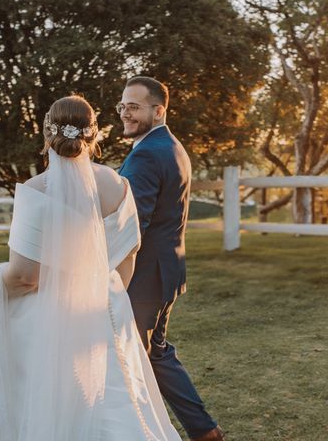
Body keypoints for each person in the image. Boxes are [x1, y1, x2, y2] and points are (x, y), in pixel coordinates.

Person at [0, 95, 182, 440]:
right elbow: (127, 258)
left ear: (47, 136)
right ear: (94, 135)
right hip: (105, 312)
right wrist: (103, 297)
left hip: (46, 317)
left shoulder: (36, 190)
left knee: (39, 400)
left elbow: (24, 277)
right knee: (116, 402)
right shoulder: (120, 186)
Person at [118, 77, 224, 441]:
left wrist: (105, 266)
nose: (125, 113)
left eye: (134, 106)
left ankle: (150, 430)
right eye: (122, 106)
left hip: (144, 276)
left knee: (135, 358)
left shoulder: (148, 151)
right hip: (166, 271)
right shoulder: (173, 146)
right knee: (156, 354)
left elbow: (133, 223)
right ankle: (204, 430)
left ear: (158, 110)